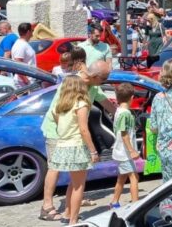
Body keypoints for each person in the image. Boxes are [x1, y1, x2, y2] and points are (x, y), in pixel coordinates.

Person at [39, 60, 113, 221]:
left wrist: (120, 114)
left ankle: (70, 209)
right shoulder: (71, 84)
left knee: (75, 179)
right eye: (104, 79)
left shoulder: (93, 87)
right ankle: (47, 206)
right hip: (57, 133)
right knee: (55, 168)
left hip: (72, 135)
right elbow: (56, 112)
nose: (104, 82)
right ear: (94, 76)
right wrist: (65, 132)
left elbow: (106, 103)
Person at [48, 76, 98, 224]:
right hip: (76, 146)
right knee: (79, 186)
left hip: (63, 146)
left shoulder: (59, 105)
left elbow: (59, 125)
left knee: (73, 183)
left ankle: (68, 214)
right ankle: (74, 221)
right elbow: (83, 129)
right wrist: (93, 151)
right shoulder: (81, 104)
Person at [109, 83, 140, 208]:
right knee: (134, 177)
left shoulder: (119, 111)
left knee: (122, 177)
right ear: (132, 97)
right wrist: (132, 150)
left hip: (121, 151)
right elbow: (124, 134)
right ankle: (135, 205)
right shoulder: (125, 114)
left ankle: (114, 201)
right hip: (124, 153)